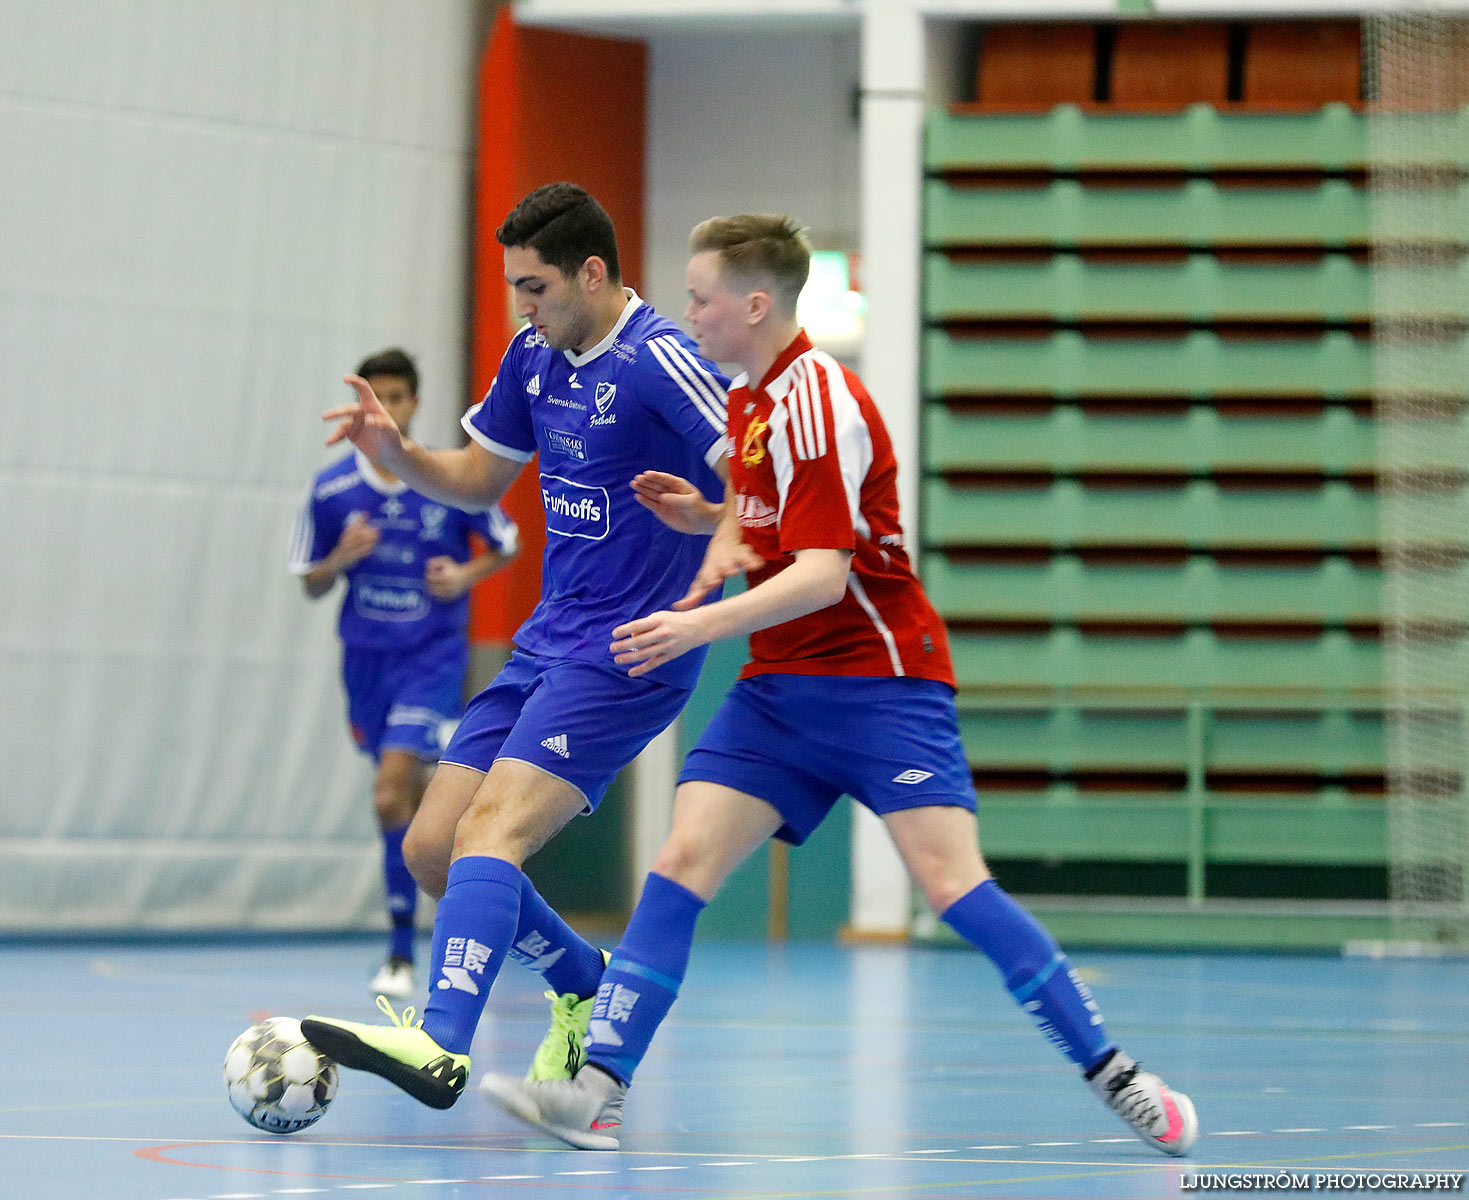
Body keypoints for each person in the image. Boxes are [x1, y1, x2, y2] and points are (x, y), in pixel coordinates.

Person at [476, 214, 1200, 1156]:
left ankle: (1119, 1075)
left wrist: (694, 624)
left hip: (881, 685)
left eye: (699, 299)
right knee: (680, 864)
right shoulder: (747, 401)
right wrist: (708, 517)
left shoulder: (818, 398)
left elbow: (822, 573)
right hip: (781, 688)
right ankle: (596, 1091)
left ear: (755, 304)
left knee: (951, 886)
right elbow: (761, 517)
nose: (686, 315)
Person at [302, 183, 732, 1110]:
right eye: (512, 289)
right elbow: (476, 480)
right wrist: (401, 454)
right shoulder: (534, 355)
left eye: (534, 287)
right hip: (547, 639)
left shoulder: (665, 360)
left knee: (490, 830)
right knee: (431, 850)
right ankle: (582, 978)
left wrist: (714, 528)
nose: (521, 308)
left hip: (630, 651)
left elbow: (768, 483)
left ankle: (440, 1043)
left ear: (591, 272)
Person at [290, 347, 519, 998]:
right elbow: (309, 583)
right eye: (376, 397)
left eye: (398, 397)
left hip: (432, 658)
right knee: (408, 802)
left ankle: (403, 954)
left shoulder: (444, 478)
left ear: (415, 404)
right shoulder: (333, 489)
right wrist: (339, 558)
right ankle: (460, 930)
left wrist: (465, 575)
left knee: (393, 794)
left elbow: (506, 542)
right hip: (366, 662)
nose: (386, 408)